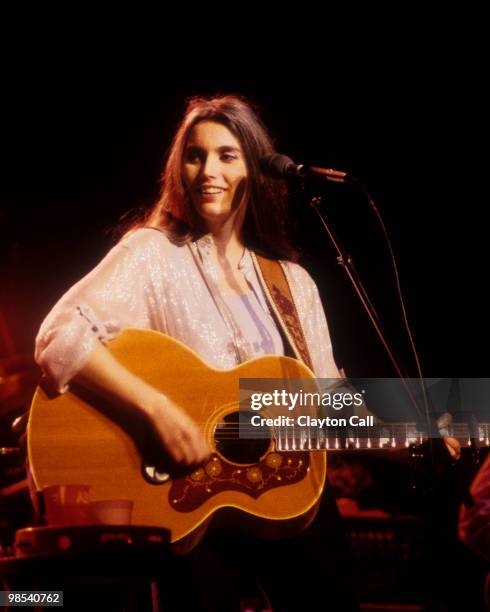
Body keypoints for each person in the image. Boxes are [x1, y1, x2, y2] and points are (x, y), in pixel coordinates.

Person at [34, 95, 357, 610]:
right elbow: (59, 337)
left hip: (285, 495)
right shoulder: (152, 254)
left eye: (227, 155)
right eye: (195, 155)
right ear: (178, 168)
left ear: (256, 167)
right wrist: (157, 411)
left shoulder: (292, 283)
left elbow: (326, 401)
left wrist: (427, 422)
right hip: (190, 507)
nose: (208, 170)